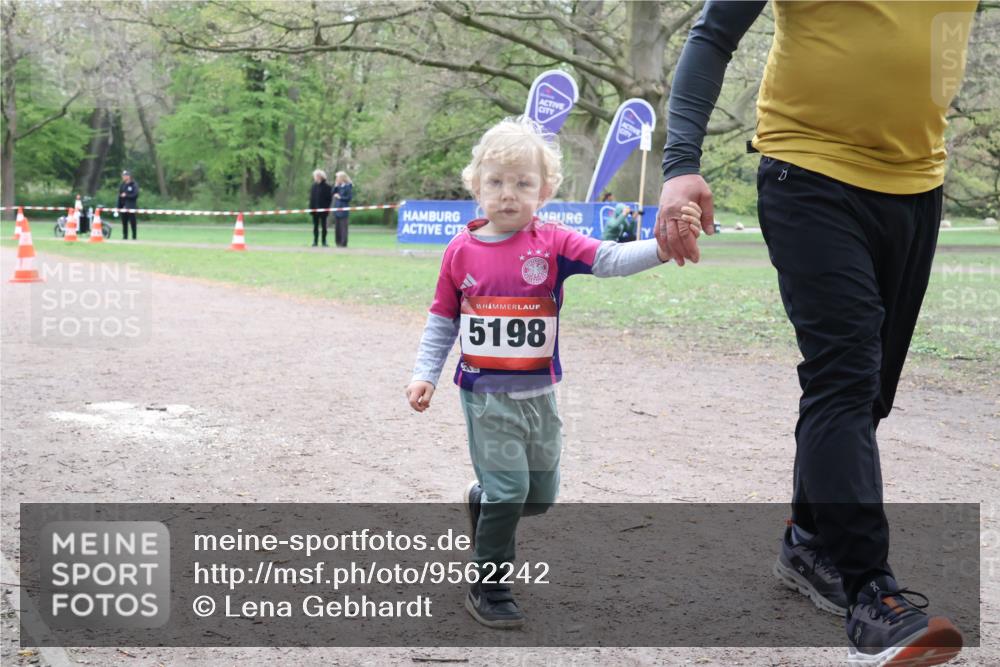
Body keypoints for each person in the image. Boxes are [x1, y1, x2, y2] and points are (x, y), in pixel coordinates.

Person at [657, 3, 976, 665]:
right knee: (845, 377)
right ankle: (872, 594)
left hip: (918, 185)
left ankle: (808, 537)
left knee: (868, 394)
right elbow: (713, 33)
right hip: (810, 175)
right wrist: (680, 163)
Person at [405, 116, 702, 629]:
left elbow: (608, 258)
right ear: (476, 186)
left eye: (523, 183)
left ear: (545, 190)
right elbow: (442, 320)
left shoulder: (554, 243)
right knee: (510, 492)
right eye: (495, 182)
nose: (508, 194)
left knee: (538, 498)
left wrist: (661, 248)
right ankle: (490, 583)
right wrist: (424, 372)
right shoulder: (459, 251)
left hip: (539, 397)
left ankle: (483, 504)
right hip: (486, 397)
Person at [309, 169, 333, 247]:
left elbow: (329, 199)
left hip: (323, 210)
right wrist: (311, 208)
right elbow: (312, 198)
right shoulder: (313, 186)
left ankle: (324, 241)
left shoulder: (327, 187)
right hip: (314, 210)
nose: (314, 178)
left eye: (315, 176)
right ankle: (315, 241)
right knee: (315, 226)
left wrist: (326, 208)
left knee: (324, 226)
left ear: (320, 176)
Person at [331, 171, 353, 247]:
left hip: (343, 209)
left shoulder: (348, 187)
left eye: (337, 177)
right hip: (337, 209)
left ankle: (343, 243)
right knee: (337, 227)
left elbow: (349, 198)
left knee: (343, 227)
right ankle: (338, 242)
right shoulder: (338, 187)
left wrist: (340, 197)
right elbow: (333, 193)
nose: (336, 179)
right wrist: (336, 186)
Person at [117, 171, 139, 240]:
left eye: (124, 175)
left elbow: (135, 195)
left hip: (131, 207)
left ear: (128, 176)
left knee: (132, 222)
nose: (123, 177)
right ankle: (125, 236)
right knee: (124, 222)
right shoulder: (122, 185)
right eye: (122, 175)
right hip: (123, 207)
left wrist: (126, 195)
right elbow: (119, 196)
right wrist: (118, 206)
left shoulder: (134, 184)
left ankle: (134, 236)